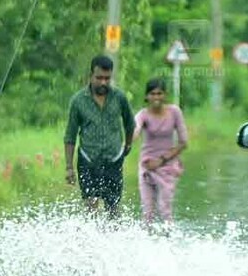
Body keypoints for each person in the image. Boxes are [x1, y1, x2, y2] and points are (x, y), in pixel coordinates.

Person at [63, 55, 136, 220]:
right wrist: (69, 167)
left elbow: (130, 124)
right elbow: (70, 135)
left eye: (107, 78)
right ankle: (92, 241)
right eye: (99, 78)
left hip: (113, 159)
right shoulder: (78, 101)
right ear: (91, 76)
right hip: (88, 159)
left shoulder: (119, 98)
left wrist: (128, 145)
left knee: (113, 207)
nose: (103, 82)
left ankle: (113, 240)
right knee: (91, 205)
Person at [132, 78, 188, 227]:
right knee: (148, 211)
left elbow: (183, 142)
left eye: (159, 93)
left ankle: (168, 241)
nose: (156, 97)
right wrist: (130, 137)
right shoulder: (143, 115)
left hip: (167, 167)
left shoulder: (174, 112)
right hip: (147, 166)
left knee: (165, 209)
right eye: (152, 94)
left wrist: (162, 160)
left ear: (164, 95)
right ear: (147, 96)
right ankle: (147, 242)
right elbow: (135, 130)